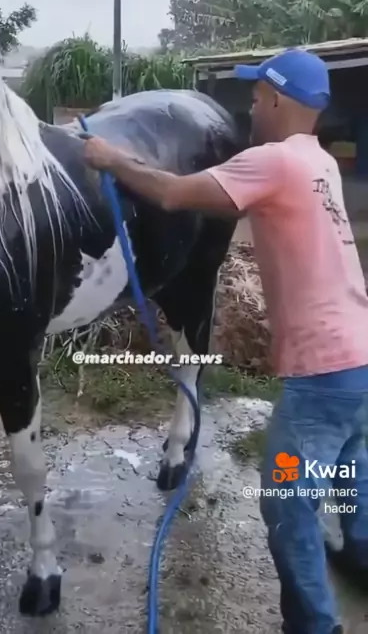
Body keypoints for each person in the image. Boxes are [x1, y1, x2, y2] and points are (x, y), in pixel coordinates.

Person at [81, 48, 368, 634]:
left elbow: (171, 193)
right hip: (360, 356)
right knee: (351, 476)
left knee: (287, 501)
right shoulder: (320, 162)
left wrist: (111, 158)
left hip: (322, 373)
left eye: (258, 96)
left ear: (278, 100)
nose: (251, 107)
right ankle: (361, 557)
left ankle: (315, 625)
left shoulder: (272, 161)